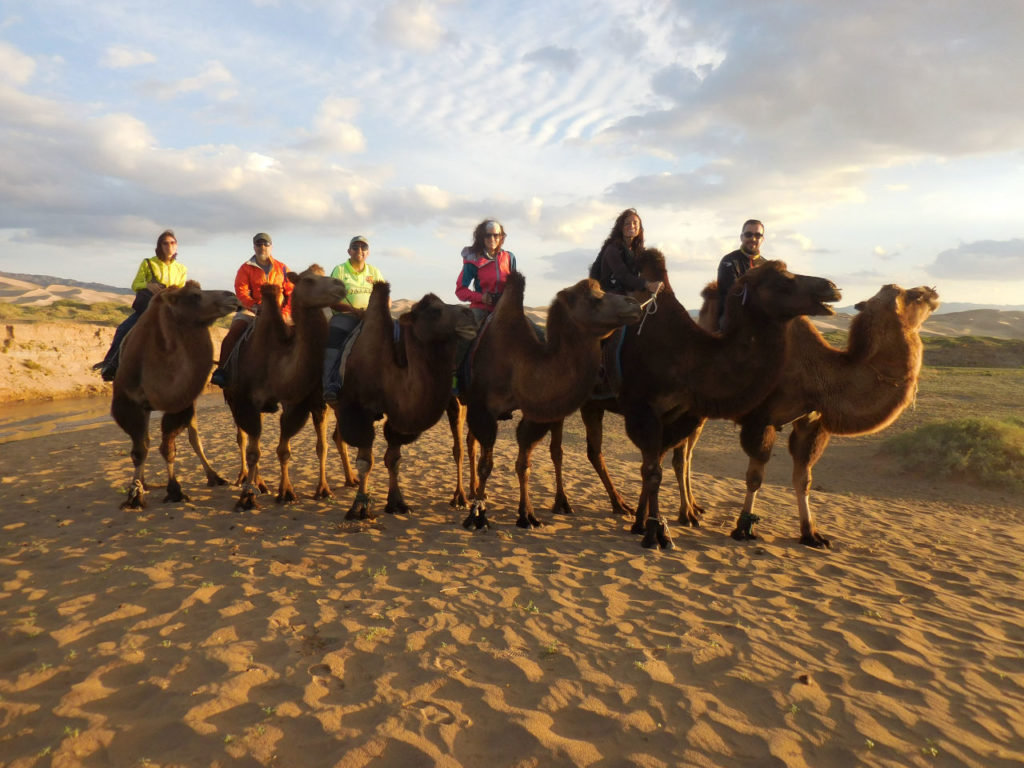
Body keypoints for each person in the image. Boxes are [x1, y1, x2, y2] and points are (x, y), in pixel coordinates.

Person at [93, 229, 187, 381]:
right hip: (148, 308)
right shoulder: (148, 263)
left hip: (170, 309)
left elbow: (182, 291)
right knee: (123, 329)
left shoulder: (181, 269)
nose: (169, 246)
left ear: (176, 246)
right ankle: (111, 365)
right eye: (165, 243)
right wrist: (148, 285)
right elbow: (135, 284)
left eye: (172, 243)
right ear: (159, 246)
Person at [210, 232, 294, 387]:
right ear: (254, 247)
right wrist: (254, 306)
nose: (262, 247)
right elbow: (241, 291)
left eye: (265, 244)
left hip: (279, 311)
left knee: (300, 334)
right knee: (235, 331)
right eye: (259, 244)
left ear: (271, 247)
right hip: (253, 309)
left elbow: (290, 292)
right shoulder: (245, 268)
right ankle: (222, 370)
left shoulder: (282, 268)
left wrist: (285, 313)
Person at [322, 235, 384, 404]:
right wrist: (353, 310)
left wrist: (376, 310)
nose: (359, 251)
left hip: (371, 316)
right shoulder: (340, 270)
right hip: (346, 316)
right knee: (333, 342)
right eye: (355, 247)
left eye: (363, 248)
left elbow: (385, 296)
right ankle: (331, 385)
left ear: (368, 252)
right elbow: (332, 300)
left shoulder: (374, 272)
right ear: (349, 251)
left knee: (397, 334)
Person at [455, 219, 516, 324]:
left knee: (538, 335)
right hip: (480, 309)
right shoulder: (473, 259)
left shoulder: (509, 257)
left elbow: (514, 286)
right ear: (481, 237)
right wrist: (481, 298)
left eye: (496, 235)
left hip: (504, 309)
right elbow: (460, 291)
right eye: (488, 235)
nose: (492, 239)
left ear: (501, 237)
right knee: (466, 335)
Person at [589, 208, 662, 296]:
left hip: (627, 291)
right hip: (608, 294)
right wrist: (648, 285)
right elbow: (622, 275)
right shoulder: (612, 249)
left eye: (635, 223)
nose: (631, 225)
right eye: (627, 223)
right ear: (621, 228)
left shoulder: (639, 251)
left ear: (639, 228)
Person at [715, 219, 766, 332]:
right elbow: (735, 293)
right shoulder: (729, 261)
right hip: (732, 317)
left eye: (758, 235)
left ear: (762, 239)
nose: (753, 239)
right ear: (741, 237)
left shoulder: (766, 266)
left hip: (762, 318)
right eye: (748, 234)